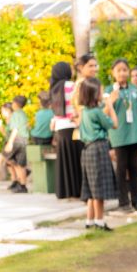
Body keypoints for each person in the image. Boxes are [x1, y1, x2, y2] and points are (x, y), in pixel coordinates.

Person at [78, 77, 119, 231]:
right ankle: (100, 222)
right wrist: (110, 105)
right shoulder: (96, 112)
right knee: (99, 188)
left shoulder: (85, 112)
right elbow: (114, 124)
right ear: (94, 93)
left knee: (90, 187)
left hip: (87, 150)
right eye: (101, 90)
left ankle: (89, 221)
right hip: (98, 149)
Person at [106, 59, 137, 212]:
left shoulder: (134, 90)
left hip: (134, 134)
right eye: (119, 70)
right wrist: (111, 100)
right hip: (118, 135)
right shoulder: (109, 90)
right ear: (113, 73)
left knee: (134, 168)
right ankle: (123, 202)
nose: (122, 73)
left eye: (125, 70)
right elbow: (104, 112)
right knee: (121, 169)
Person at [48, 61, 82, 200]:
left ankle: (67, 191)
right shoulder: (72, 86)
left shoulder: (53, 89)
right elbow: (77, 105)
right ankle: (79, 189)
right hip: (74, 126)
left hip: (60, 129)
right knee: (76, 159)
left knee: (65, 160)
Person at [1, 98, 29, 193]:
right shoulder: (22, 113)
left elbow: (15, 129)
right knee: (20, 163)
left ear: (16, 104)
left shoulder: (16, 114)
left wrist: (10, 143)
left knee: (8, 157)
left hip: (17, 140)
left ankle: (18, 178)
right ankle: (22, 184)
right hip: (24, 140)